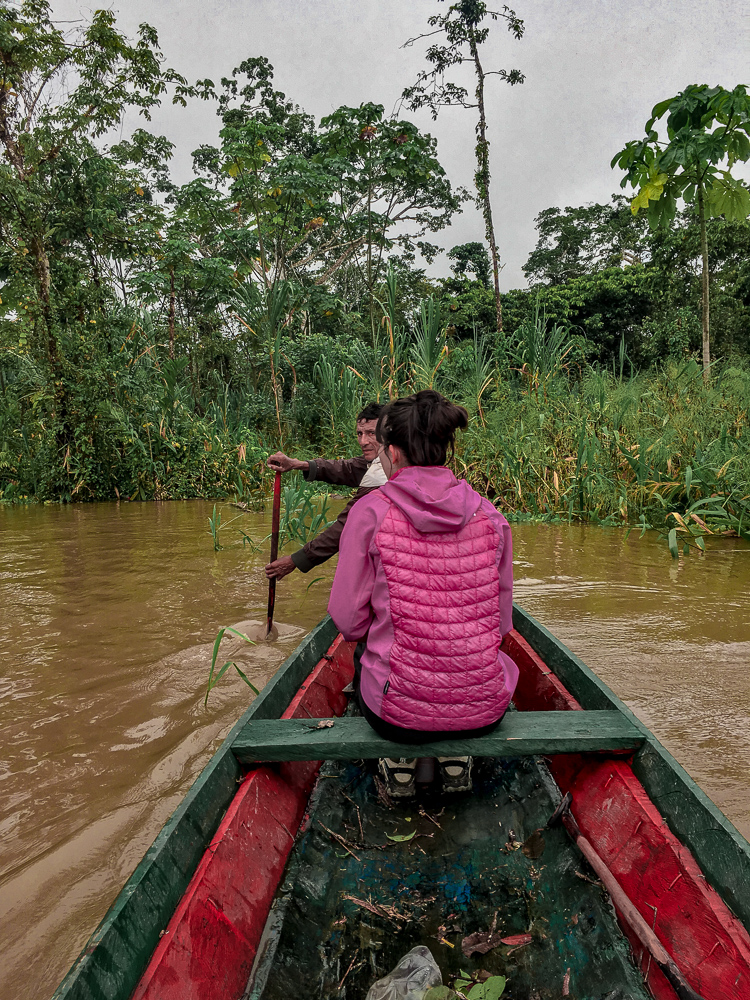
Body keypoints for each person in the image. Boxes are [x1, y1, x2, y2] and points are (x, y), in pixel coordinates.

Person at [327, 390, 518, 797]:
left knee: (364, 653)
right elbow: (502, 625)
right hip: (484, 708)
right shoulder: (491, 515)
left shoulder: (371, 511)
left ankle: (399, 762)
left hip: (396, 714)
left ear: (393, 453)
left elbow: (348, 620)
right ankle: (455, 759)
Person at [265, 402, 386, 580]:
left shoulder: (382, 473)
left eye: (371, 433)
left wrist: (296, 560)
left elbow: (346, 526)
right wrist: (298, 464)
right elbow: (348, 468)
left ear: (389, 433)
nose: (363, 441)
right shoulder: (386, 458)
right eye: (360, 433)